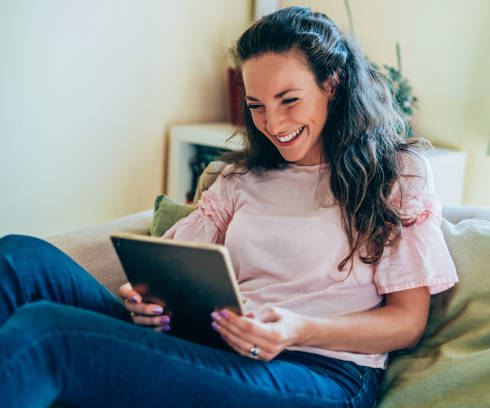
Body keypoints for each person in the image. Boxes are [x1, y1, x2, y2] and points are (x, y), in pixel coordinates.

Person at [0, 6, 457, 408]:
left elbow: (407, 322)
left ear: (332, 85)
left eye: (289, 100)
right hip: (213, 344)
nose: (273, 124)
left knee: (47, 334)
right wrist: (148, 302)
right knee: (18, 258)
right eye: (256, 105)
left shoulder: (397, 172)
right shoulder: (241, 177)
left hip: (317, 371)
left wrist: (297, 328)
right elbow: (179, 277)